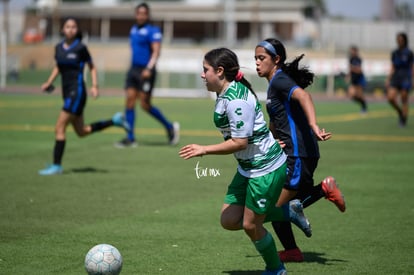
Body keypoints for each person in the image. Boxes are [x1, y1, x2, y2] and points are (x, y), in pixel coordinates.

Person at [179, 48, 288, 275]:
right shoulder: (224, 93)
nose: (202, 75)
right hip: (248, 168)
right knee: (229, 220)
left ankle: (276, 269)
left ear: (219, 71)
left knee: (250, 225)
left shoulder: (237, 100)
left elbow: (239, 142)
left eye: (205, 70)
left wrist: (204, 150)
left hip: (264, 169)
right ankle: (289, 211)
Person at [255, 38, 346, 262]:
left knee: (274, 208)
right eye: (255, 59)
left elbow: (304, 96)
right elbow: (277, 121)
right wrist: (269, 142)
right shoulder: (275, 83)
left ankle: (324, 190)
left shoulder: (279, 81)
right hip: (299, 154)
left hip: (298, 155)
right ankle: (292, 251)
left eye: (261, 58)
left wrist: (314, 125)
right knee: (277, 206)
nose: (257, 63)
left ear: (276, 60)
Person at [38, 17, 129, 176]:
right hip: (67, 93)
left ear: (77, 30)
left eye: (73, 27)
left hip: (77, 92)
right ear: (62, 29)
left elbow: (92, 67)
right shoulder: (58, 48)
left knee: (59, 128)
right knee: (82, 132)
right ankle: (114, 121)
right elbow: (58, 67)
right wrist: (49, 82)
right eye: (67, 26)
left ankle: (56, 165)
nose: (71, 29)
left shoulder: (81, 48)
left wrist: (94, 86)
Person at [115, 2, 179, 148]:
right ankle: (130, 138)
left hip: (147, 71)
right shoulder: (133, 30)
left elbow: (156, 52)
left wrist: (149, 68)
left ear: (148, 15)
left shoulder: (153, 31)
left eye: (144, 13)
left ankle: (170, 127)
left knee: (144, 104)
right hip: (133, 70)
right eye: (138, 13)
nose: (141, 16)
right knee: (129, 101)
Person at [386, 32, 414, 127]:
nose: (399, 41)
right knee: (390, 98)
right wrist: (388, 78)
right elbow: (393, 66)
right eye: (398, 40)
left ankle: (403, 119)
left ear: (405, 40)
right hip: (396, 77)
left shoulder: (409, 53)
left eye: (401, 40)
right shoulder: (394, 53)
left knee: (404, 98)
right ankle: (400, 112)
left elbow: (412, 67)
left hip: (406, 77)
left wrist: (413, 79)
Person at [347, 45, 368, 113]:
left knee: (359, 95)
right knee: (351, 95)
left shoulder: (358, 59)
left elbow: (359, 70)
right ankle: (363, 104)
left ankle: (364, 107)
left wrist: (353, 68)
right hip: (353, 79)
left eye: (352, 51)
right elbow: (350, 69)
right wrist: (348, 75)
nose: (351, 52)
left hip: (359, 79)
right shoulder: (351, 59)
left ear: (355, 51)